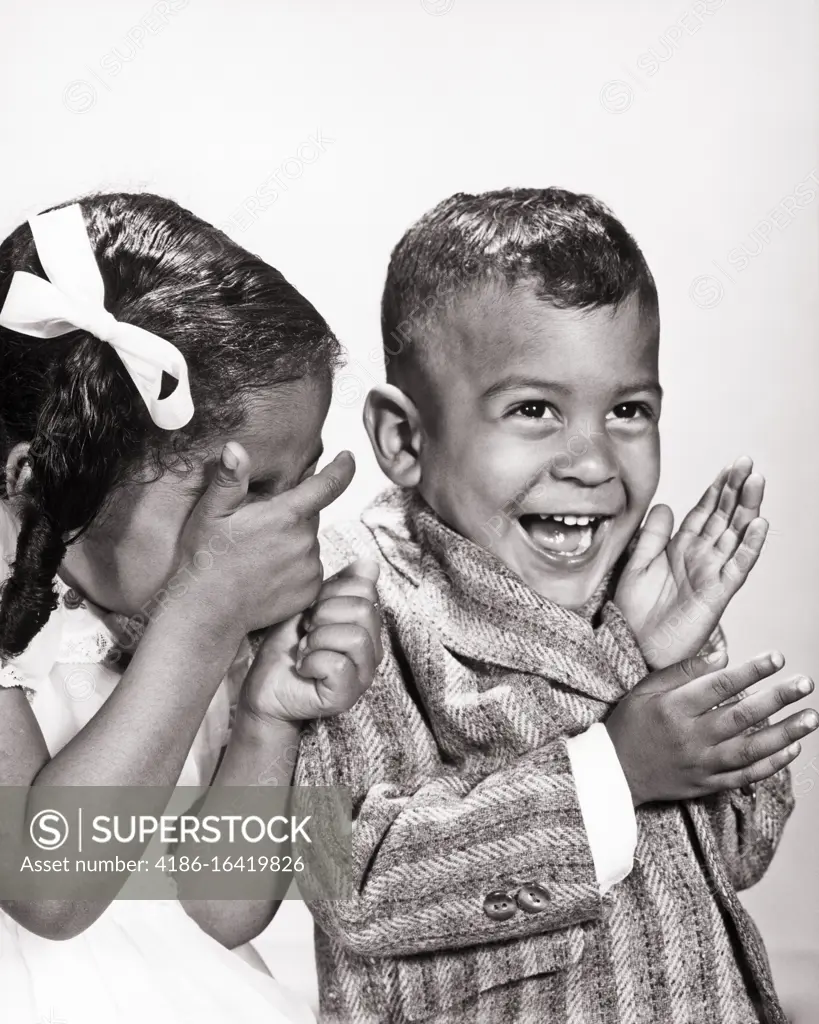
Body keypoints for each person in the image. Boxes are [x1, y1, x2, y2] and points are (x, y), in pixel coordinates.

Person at [296, 187, 819, 1023]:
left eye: (626, 411)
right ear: (404, 438)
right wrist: (616, 765)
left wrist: (658, 659)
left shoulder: (634, 595)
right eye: (534, 410)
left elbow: (739, 850)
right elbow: (351, 881)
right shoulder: (358, 604)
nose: (590, 460)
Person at [0, 194, 382, 1024]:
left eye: (296, 485)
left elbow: (224, 912)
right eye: (241, 488)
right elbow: (50, 891)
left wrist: (264, 721)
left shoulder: (201, 619)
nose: (281, 530)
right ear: (40, 480)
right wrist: (202, 621)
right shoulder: (186, 616)